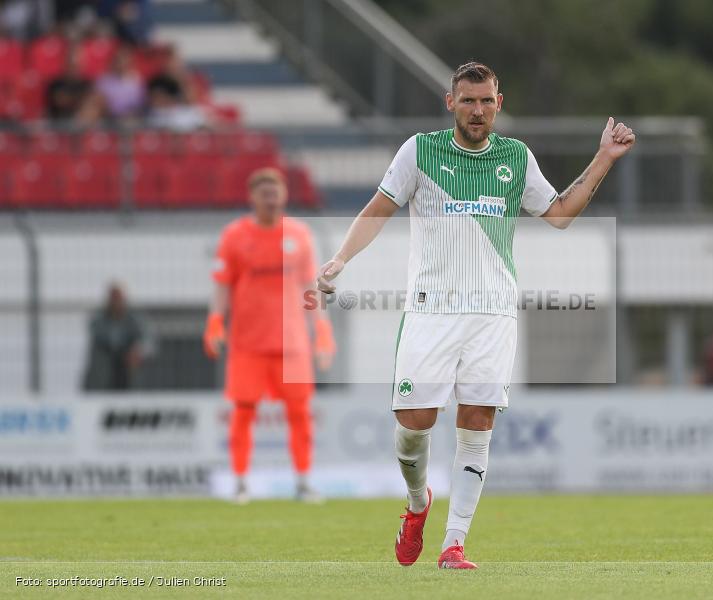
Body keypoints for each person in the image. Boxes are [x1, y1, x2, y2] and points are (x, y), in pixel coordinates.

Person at [316, 62, 635, 569]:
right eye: (468, 101)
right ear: (451, 103)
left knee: (477, 421)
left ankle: (454, 544)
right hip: (430, 311)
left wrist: (603, 158)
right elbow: (379, 208)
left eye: (486, 101)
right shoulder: (420, 151)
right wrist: (340, 259)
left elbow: (559, 215)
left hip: (492, 313)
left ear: (499, 103)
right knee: (414, 422)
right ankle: (417, 505)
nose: (478, 110)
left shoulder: (515, 156)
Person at [204, 168, 336, 504]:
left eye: (274, 189)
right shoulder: (234, 236)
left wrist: (322, 329)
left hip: (291, 343)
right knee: (243, 413)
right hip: (248, 343)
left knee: (300, 414)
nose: (270, 196)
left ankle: (304, 481)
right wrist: (215, 321)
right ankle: (241, 482)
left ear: (284, 195)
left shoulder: (299, 234)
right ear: (252, 197)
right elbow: (222, 284)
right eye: (263, 191)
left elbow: (310, 287)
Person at [82, 283, 146, 391]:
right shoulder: (98, 320)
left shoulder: (135, 319)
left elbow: (147, 338)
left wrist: (138, 350)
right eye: (113, 298)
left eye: (118, 298)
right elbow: (109, 339)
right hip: (102, 380)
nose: (116, 302)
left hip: (128, 379)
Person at [95, 46, 145, 124]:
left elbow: (140, 104)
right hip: (107, 118)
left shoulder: (137, 80)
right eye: (119, 60)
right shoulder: (103, 80)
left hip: (130, 118)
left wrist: (129, 114)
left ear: (130, 62)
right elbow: (98, 101)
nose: (121, 63)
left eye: (124, 60)